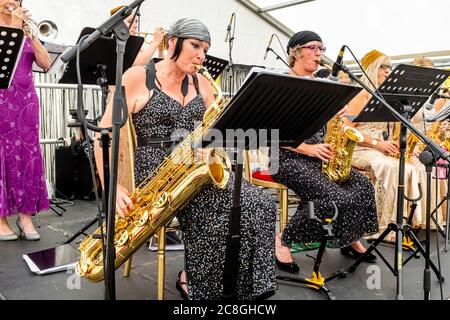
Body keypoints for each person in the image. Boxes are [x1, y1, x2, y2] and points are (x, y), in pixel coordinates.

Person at [94, 18, 277, 300]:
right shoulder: (136, 77)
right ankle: (200, 286)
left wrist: (212, 146)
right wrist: (113, 186)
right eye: (195, 46)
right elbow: (104, 134)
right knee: (218, 211)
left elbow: (217, 132)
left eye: (205, 49)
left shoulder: (203, 83)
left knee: (260, 202)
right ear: (172, 43)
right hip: (155, 171)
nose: (201, 55)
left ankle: (250, 288)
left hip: (195, 166)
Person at [269, 31, 379, 273]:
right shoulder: (282, 84)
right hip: (287, 157)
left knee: (362, 186)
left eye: (322, 48)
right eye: (313, 48)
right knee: (333, 198)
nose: (319, 53)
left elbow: (329, 125)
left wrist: (338, 113)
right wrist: (308, 148)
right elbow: (269, 132)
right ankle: (283, 240)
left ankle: (349, 237)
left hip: (321, 156)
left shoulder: (323, 85)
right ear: (295, 51)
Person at [347, 50, 430, 237]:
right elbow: (347, 130)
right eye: (383, 66)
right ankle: (385, 227)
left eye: (389, 67)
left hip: (382, 148)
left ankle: (410, 222)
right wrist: (377, 144)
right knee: (396, 168)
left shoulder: (387, 97)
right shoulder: (361, 95)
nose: (387, 71)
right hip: (361, 149)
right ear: (371, 68)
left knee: (416, 165)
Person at [0, 0, 51, 240]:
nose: (11, 1)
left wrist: (30, 34)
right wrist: (12, 29)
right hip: (2, 101)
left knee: (28, 155)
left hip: (26, 103)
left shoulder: (26, 30)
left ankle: (26, 216)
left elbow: (45, 63)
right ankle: (0, 219)